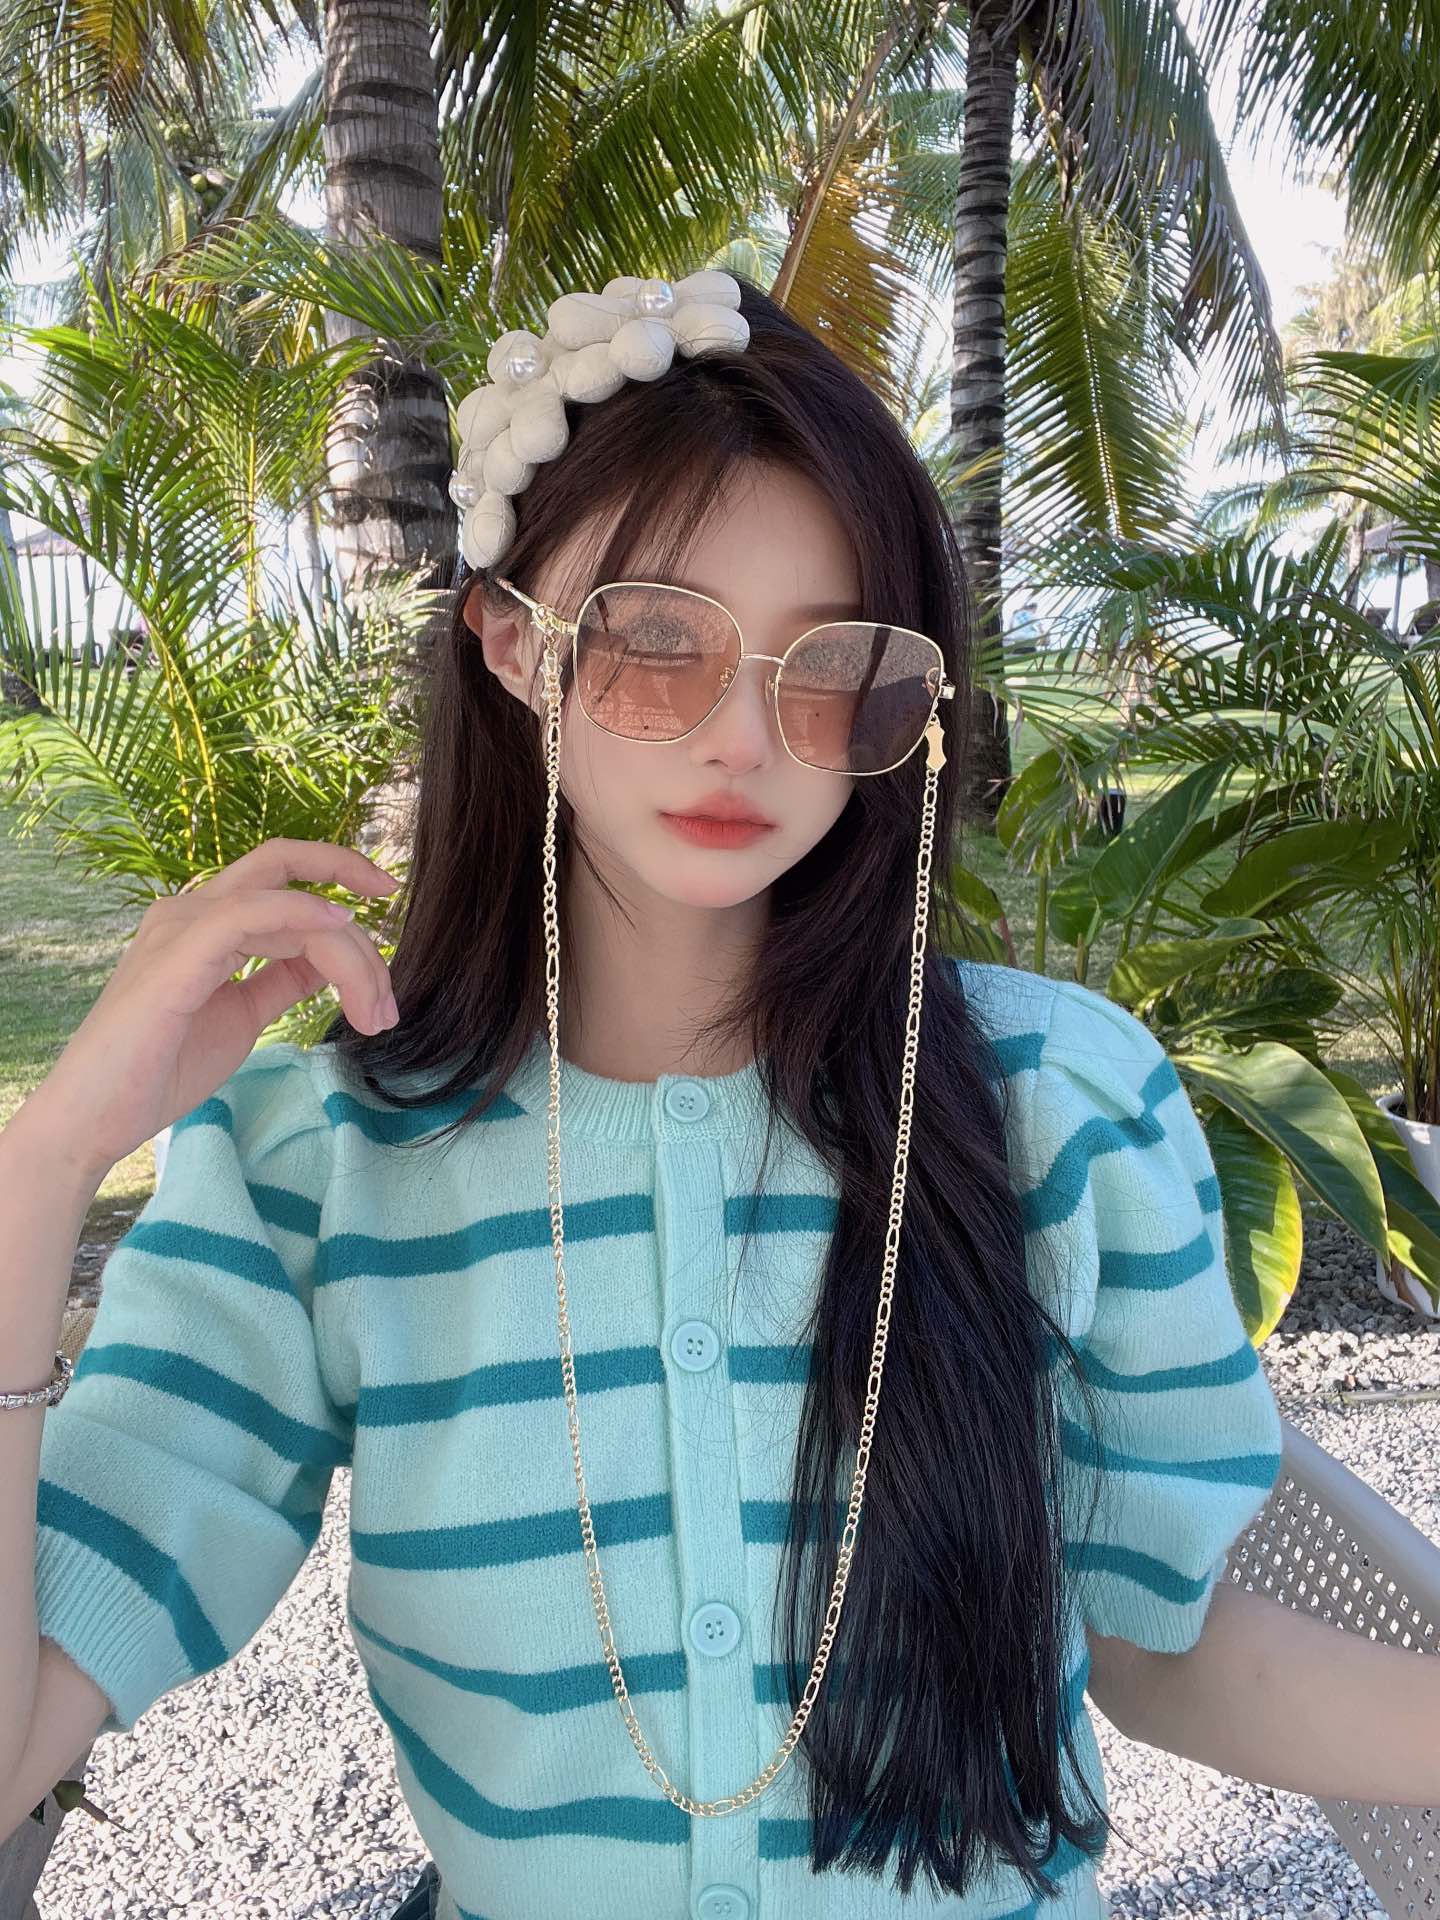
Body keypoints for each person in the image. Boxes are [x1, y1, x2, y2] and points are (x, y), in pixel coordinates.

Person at [5, 267, 1430, 1920]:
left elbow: (1166, 1646)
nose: (745, 737)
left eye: (833, 665)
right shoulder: (317, 1173)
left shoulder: (1063, 1106)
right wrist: (48, 1163)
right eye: (654, 641)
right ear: (511, 645)